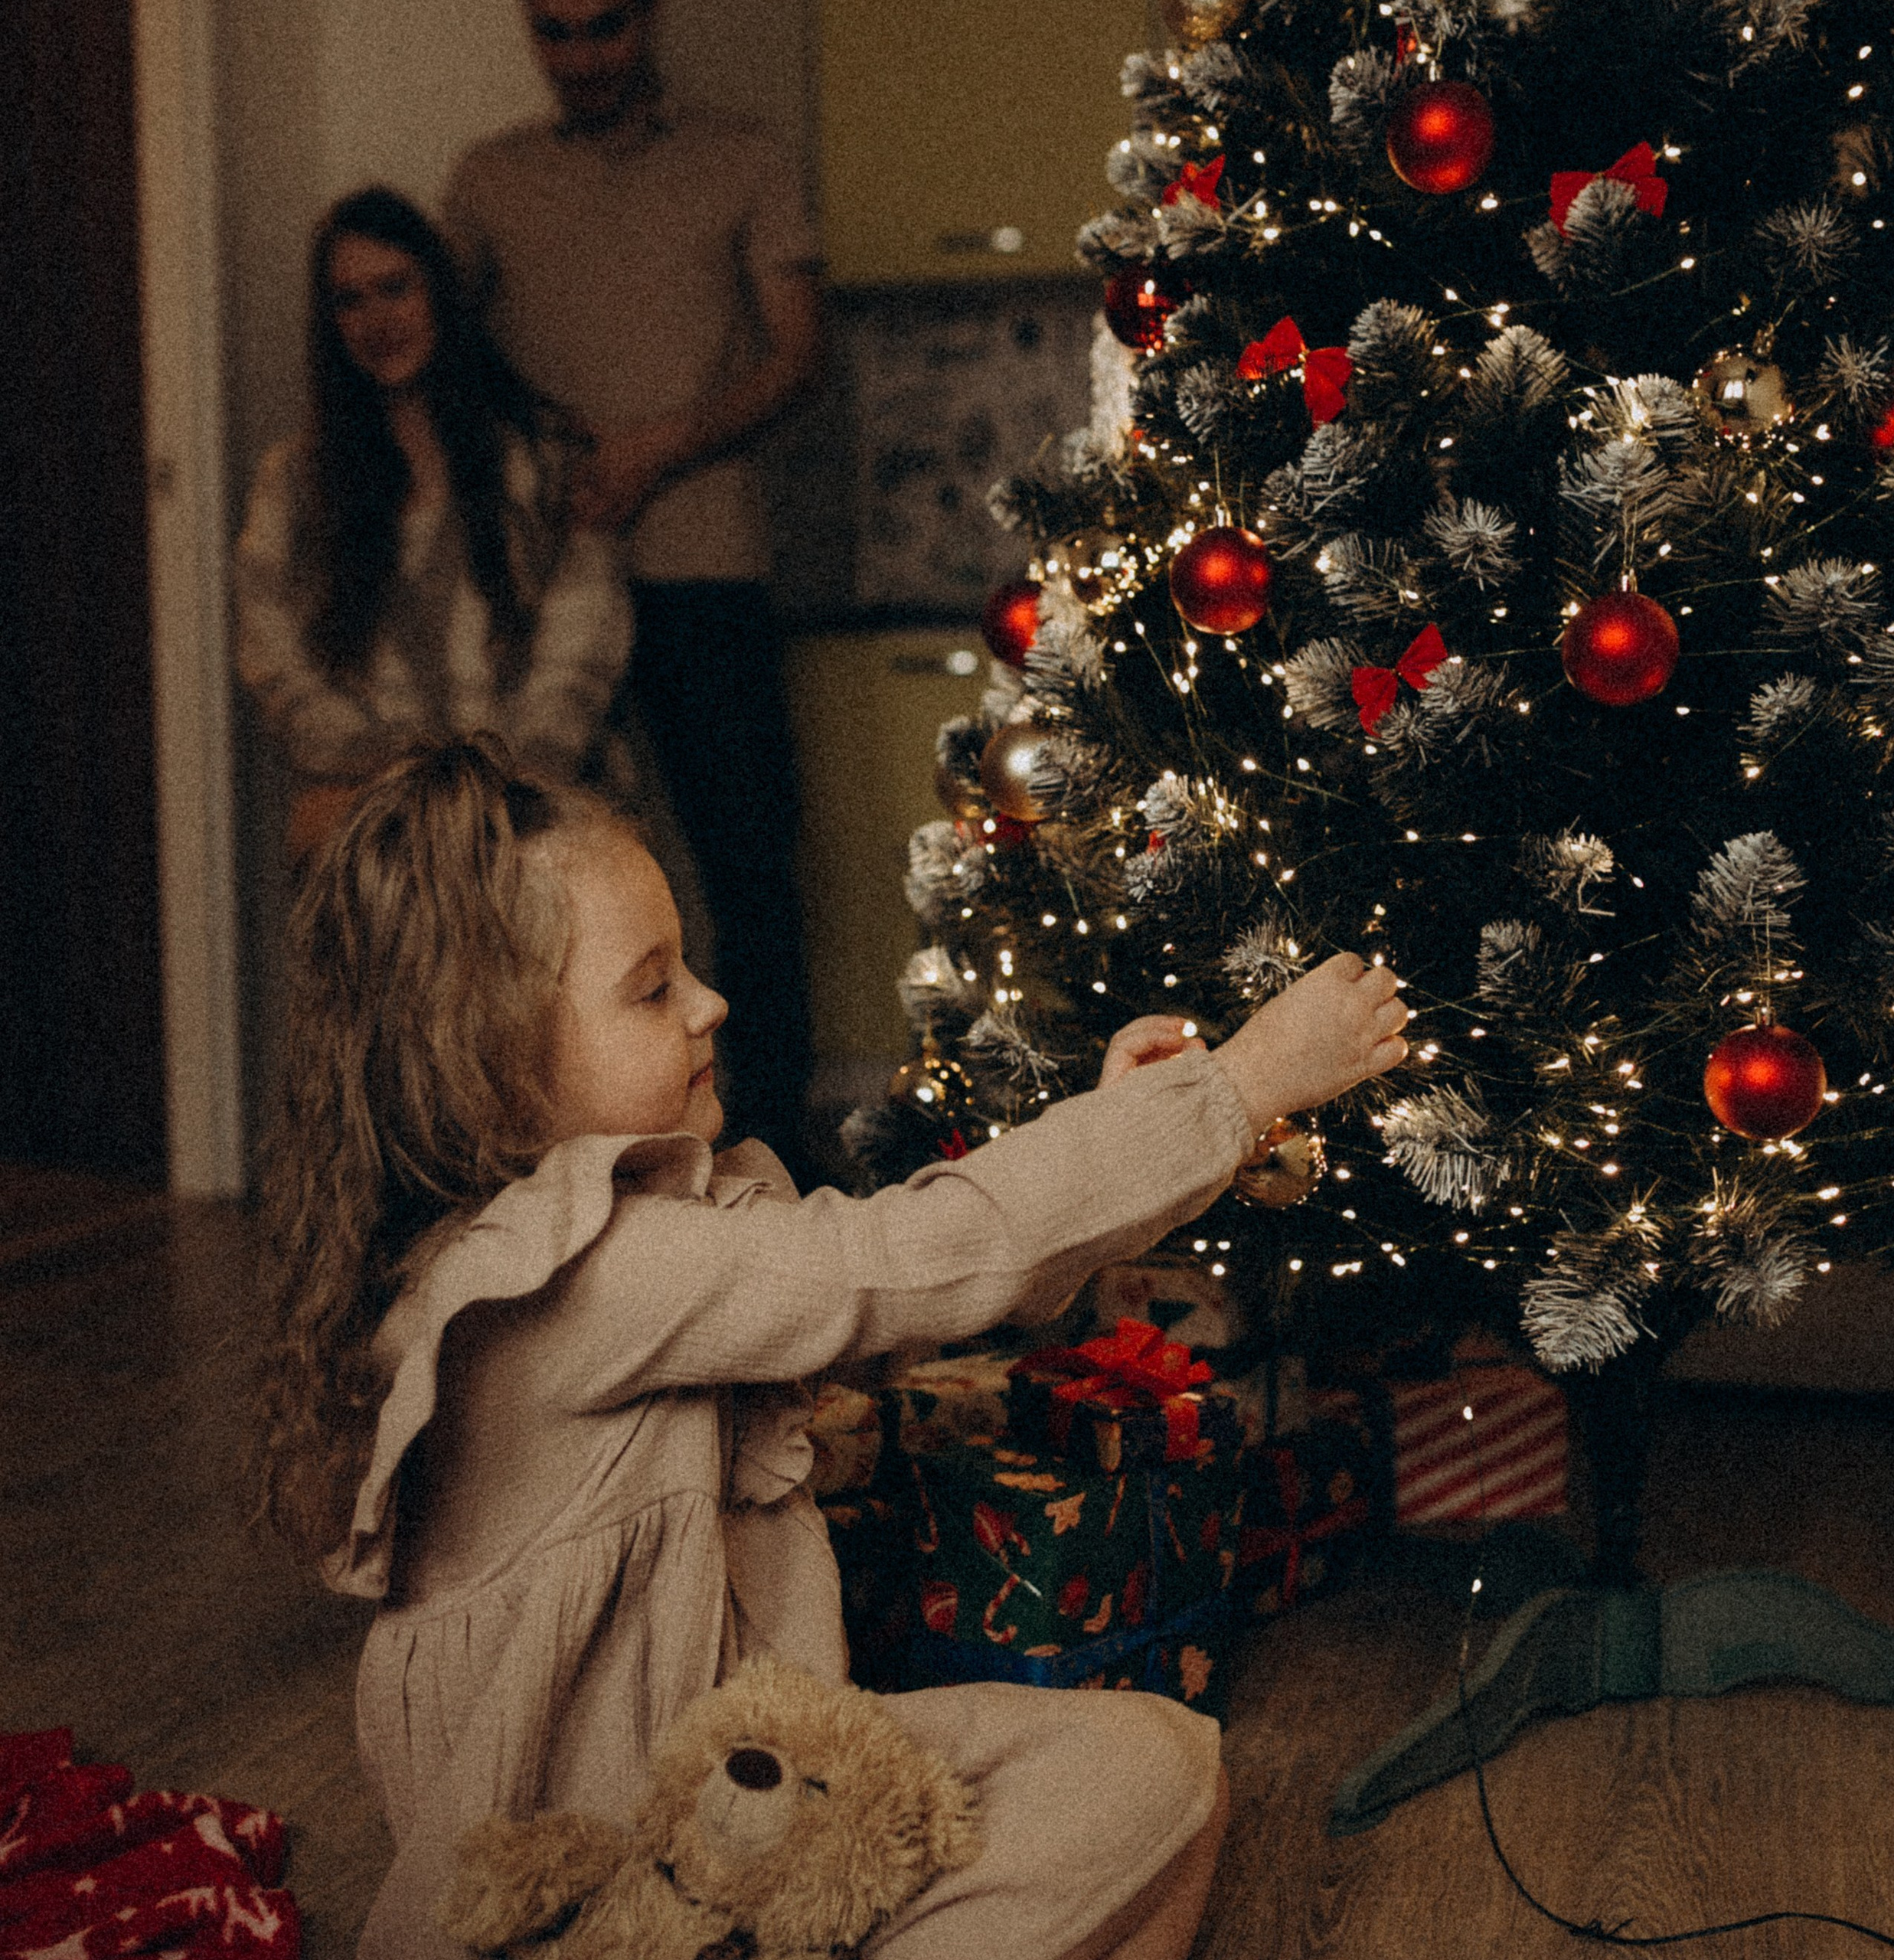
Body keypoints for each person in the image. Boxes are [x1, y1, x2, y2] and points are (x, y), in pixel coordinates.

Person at [249, 739, 1410, 1960]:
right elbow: (910, 1257)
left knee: (1164, 1762)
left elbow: (909, 1285)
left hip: (739, 1770)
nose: (709, 1004)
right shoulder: (585, 1272)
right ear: (486, 1060)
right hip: (620, 1844)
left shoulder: (610, 1241)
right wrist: (1238, 1088)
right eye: (651, 990)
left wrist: (1119, 1132)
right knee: (1147, 1790)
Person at [442, 0, 822, 1172]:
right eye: (555, 34)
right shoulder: (489, 182)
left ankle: (768, 1160)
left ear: (645, 25)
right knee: (539, 878)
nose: (582, 57)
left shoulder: (743, 156)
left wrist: (656, 448)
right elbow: (435, 352)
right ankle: (545, 1159)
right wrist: (545, 465)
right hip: (548, 596)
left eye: (603, 29)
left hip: (704, 564)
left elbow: (797, 353)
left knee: (748, 874)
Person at [233, 187, 632, 865]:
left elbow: (584, 648)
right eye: (349, 300)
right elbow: (275, 658)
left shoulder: (539, 460)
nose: (376, 319)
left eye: (395, 287)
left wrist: (502, 792)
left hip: (531, 813)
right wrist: (391, 780)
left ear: (440, 294)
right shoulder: (296, 482)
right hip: (377, 821)